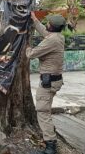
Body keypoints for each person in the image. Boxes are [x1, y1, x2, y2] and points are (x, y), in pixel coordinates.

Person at [26, 12, 66, 154]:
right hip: (54, 80)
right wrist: (34, 20)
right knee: (44, 111)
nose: (46, 25)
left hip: (48, 83)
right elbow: (45, 32)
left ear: (52, 26)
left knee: (43, 112)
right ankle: (49, 141)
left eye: (48, 23)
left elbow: (31, 54)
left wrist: (25, 46)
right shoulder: (58, 36)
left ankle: (50, 146)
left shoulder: (51, 40)